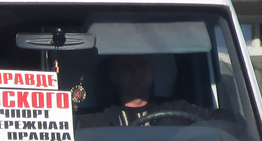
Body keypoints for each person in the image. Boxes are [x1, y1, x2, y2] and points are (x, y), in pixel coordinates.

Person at [77, 54, 209, 127]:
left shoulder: (178, 112)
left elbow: (222, 120)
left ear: (152, 72)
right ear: (114, 76)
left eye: (142, 64)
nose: (136, 72)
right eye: (127, 66)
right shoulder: (99, 121)